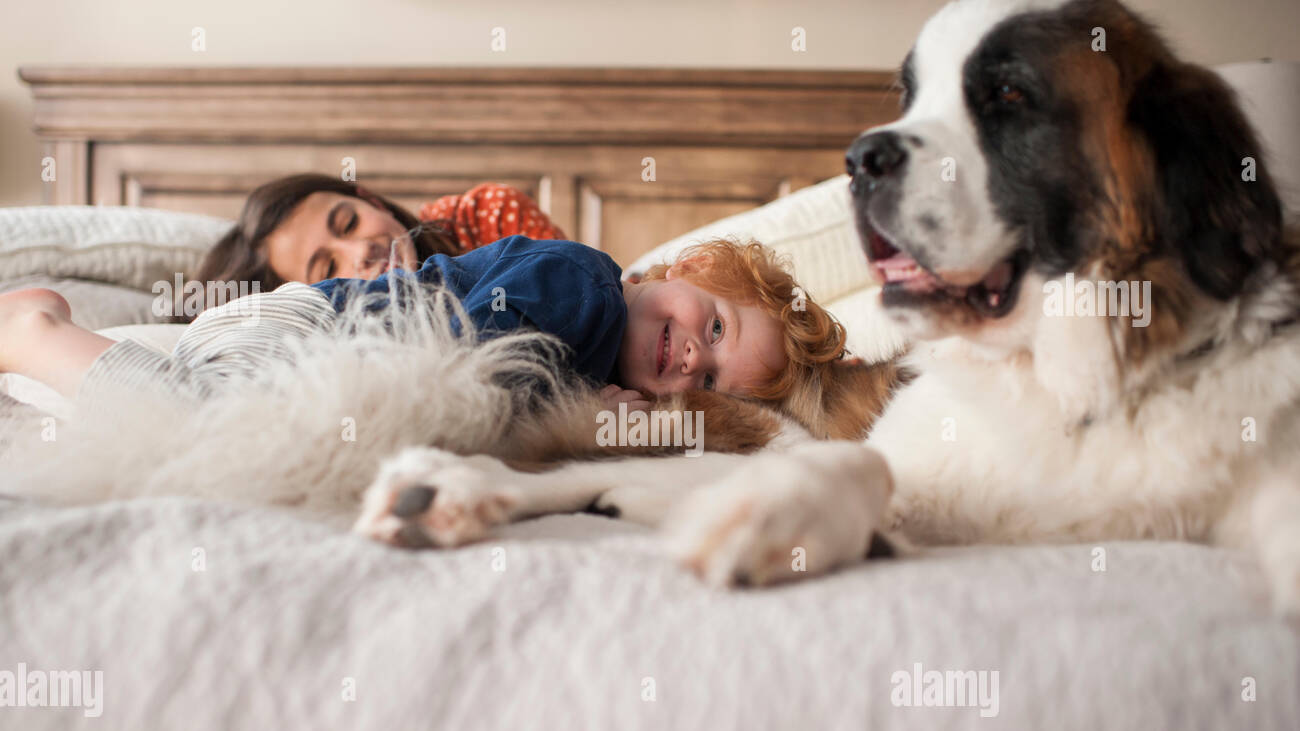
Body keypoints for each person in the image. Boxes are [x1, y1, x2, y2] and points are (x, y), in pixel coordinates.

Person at [0, 235, 846, 417]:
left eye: (704, 383)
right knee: (208, 421)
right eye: (720, 332)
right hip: (303, 330)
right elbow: (461, 364)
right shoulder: (583, 285)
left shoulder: (599, 364)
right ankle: (34, 330)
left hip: (312, 361)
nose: (693, 357)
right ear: (687, 271)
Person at [196, 174, 566, 293]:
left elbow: (584, 288)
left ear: (372, 201)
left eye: (349, 224)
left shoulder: (486, 215)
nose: (360, 253)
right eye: (327, 269)